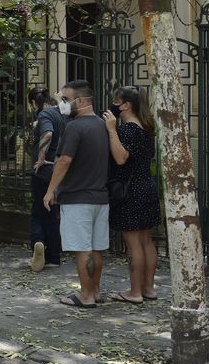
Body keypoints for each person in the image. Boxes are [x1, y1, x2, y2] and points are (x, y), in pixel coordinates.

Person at [43, 80, 111, 309]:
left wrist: (50, 190)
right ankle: (95, 291)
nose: (62, 103)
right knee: (96, 247)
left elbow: (64, 161)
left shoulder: (74, 127)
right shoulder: (103, 125)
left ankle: (86, 296)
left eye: (65, 99)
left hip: (77, 198)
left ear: (80, 101)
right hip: (100, 197)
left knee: (83, 249)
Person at [103, 86, 161, 305]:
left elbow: (120, 158)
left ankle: (135, 292)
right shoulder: (146, 127)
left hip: (131, 190)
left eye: (116, 101)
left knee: (134, 242)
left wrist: (111, 130)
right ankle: (148, 288)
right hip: (146, 186)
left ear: (125, 105)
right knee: (146, 240)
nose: (113, 106)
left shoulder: (127, 129)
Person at [28, 87, 66, 272]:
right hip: (58, 170)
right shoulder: (60, 114)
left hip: (43, 171)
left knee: (38, 210)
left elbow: (48, 134)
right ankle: (53, 256)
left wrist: (41, 158)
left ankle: (38, 241)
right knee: (51, 213)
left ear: (34, 104)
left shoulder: (44, 115)